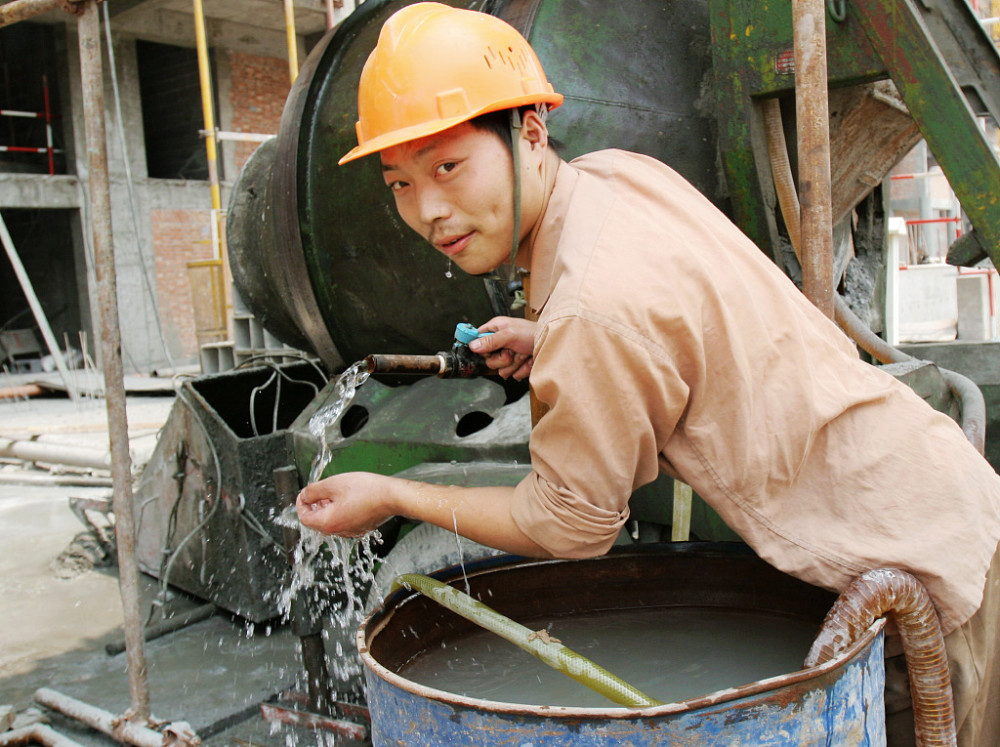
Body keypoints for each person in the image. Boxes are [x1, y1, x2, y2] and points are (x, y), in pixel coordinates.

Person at [296, 3, 1000, 744]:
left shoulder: (593, 310)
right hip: (940, 489)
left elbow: (570, 525)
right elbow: (669, 313)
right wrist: (552, 340)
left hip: (919, 578)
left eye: (448, 166)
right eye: (400, 183)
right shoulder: (615, 176)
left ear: (529, 131)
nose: (431, 210)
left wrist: (391, 493)